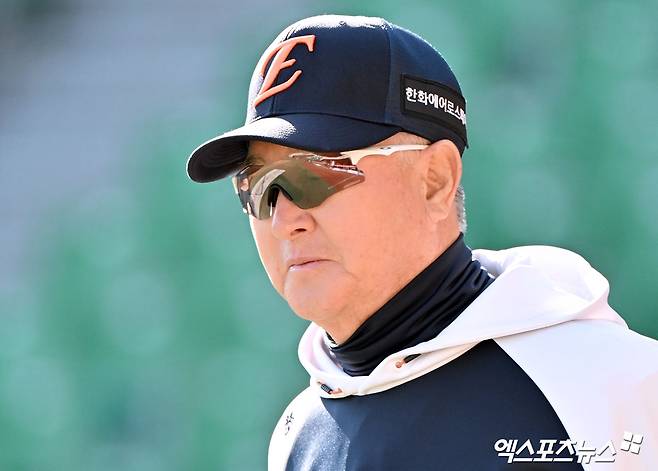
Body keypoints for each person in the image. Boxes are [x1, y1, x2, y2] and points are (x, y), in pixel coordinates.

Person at [186, 14, 658, 471]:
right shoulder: (298, 433)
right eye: (258, 187)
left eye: (316, 172)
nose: (284, 219)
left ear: (435, 180)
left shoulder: (609, 388)